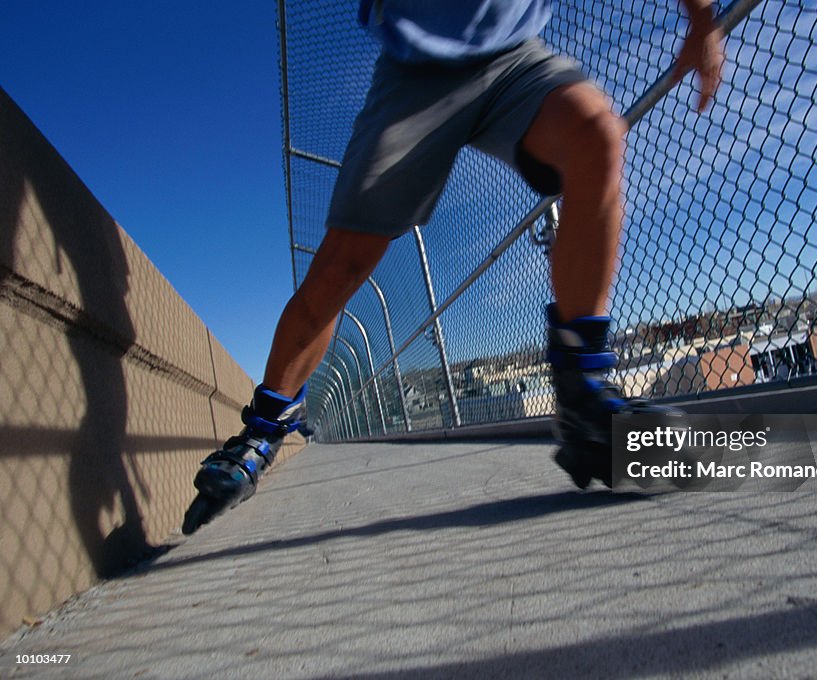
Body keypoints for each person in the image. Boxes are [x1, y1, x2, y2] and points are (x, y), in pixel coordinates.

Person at [184, 0, 725, 530]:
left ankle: (585, 396)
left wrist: (701, 17)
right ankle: (263, 428)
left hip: (516, 57)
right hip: (415, 72)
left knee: (597, 134)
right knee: (341, 266)